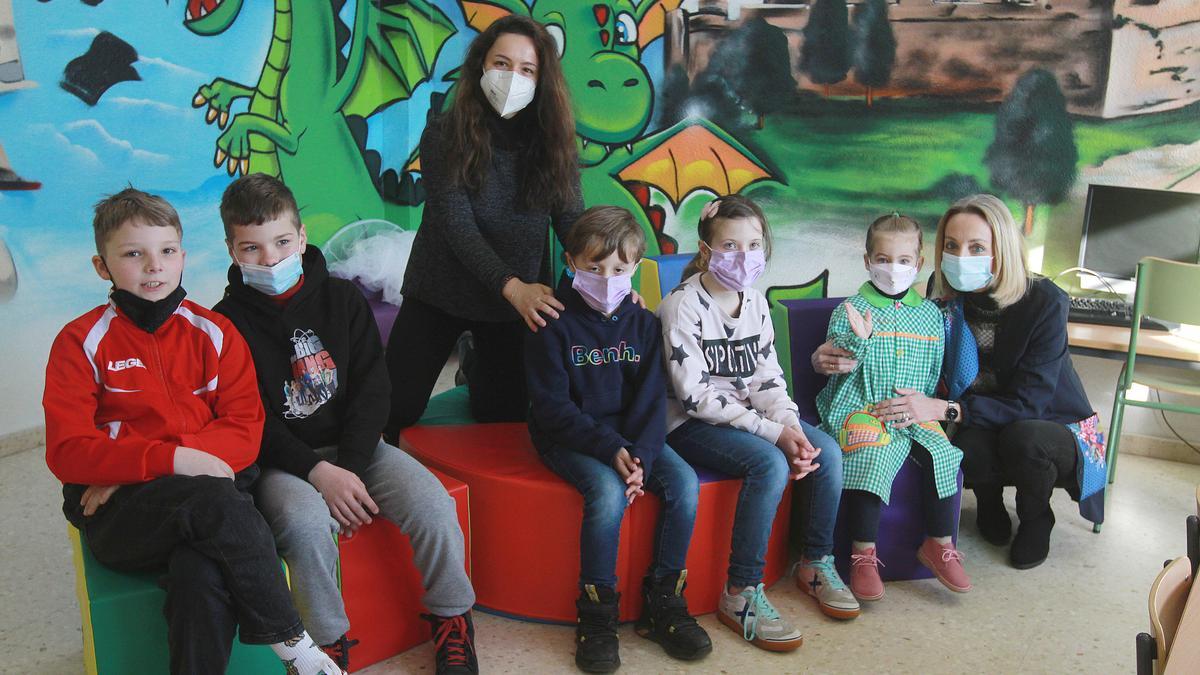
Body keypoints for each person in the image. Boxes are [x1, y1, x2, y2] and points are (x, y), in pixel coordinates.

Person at [43, 188, 344, 675]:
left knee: (199, 573)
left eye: (165, 252)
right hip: (123, 515)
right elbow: (68, 450)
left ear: (183, 257)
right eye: (133, 254)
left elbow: (246, 433)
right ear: (103, 267)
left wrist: (135, 464)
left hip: (203, 496)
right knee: (216, 502)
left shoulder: (217, 332)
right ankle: (297, 649)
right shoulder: (79, 342)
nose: (153, 267)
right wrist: (171, 462)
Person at [213, 175, 478, 674]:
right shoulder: (224, 324)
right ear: (231, 249)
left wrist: (350, 469)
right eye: (251, 248)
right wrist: (317, 474)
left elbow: (372, 391)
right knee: (305, 524)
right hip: (281, 464)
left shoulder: (343, 300)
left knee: (433, 504)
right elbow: (249, 421)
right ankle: (324, 648)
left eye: (281, 242)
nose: (270, 259)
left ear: (302, 237)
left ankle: (453, 619)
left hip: (358, 451)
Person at [811, 194, 1104, 570]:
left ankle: (1037, 517)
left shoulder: (1044, 301)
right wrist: (828, 354)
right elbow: (898, 337)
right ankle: (989, 501)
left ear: (1003, 249)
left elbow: (1031, 401)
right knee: (967, 447)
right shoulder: (944, 291)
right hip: (980, 412)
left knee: (1025, 437)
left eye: (977, 247)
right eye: (951, 245)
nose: (961, 257)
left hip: (1049, 420)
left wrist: (943, 408)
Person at [657, 195, 858, 653]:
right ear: (706, 250)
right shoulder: (682, 306)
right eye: (730, 245)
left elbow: (767, 377)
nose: (743, 256)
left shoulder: (755, 301)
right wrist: (772, 433)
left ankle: (815, 562)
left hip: (743, 415)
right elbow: (696, 397)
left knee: (824, 448)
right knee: (769, 464)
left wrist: (790, 423)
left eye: (752, 244)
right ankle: (740, 591)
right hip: (688, 421)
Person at [525, 206, 711, 673]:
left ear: (635, 267)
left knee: (684, 484)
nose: (607, 278)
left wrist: (643, 456)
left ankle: (663, 602)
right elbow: (552, 408)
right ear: (570, 261)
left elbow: (651, 401)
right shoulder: (551, 322)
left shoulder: (644, 325)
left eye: (619, 269)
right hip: (569, 437)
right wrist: (613, 451)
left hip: (632, 438)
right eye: (594, 267)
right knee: (607, 494)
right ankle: (597, 614)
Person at [384, 15, 583, 441]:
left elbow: (571, 221)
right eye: (502, 63)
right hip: (440, 290)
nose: (513, 78)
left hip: (511, 306)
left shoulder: (555, 142)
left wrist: (610, 273)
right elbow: (457, 225)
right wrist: (514, 286)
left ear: (542, 78)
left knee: (501, 416)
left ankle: (471, 362)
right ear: (481, 67)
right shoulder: (443, 134)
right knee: (394, 409)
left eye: (527, 69)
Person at [815, 213, 969, 601]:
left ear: (918, 264)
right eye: (882, 259)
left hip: (913, 408)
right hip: (860, 406)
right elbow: (841, 358)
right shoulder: (850, 309)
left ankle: (938, 543)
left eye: (903, 261)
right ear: (867, 261)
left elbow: (935, 368)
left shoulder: (931, 315)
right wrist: (858, 338)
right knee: (871, 454)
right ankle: (862, 554)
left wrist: (924, 406)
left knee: (944, 453)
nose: (892, 268)